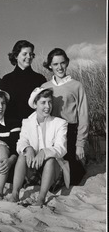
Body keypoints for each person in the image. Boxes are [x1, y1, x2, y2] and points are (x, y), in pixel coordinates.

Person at [9, 87, 69, 207]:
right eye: (43, 102)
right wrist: (28, 148)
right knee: (22, 155)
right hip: (33, 169)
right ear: (35, 104)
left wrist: (44, 152)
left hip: (53, 171)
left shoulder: (60, 123)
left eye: (50, 102)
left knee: (50, 159)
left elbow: (61, 149)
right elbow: (21, 143)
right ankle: (15, 194)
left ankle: (41, 198)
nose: (48, 106)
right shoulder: (27, 122)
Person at [41, 48, 88, 185]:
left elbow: (83, 116)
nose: (59, 67)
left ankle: (78, 165)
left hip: (70, 132)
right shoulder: (45, 86)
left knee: (73, 179)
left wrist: (80, 144)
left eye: (62, 63)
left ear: (67, 63)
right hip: (50, 133)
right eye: (55, 64)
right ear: (50, 65)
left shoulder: (77, 86)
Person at [0, 40, 46, 124]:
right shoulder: (6, 80)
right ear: (16, 56)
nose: (29, 57)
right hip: (11, 126)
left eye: (31, 54)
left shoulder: (40, 79)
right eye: (24, 54)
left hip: (34, 126)